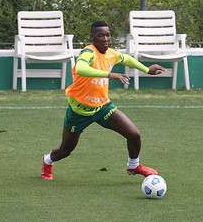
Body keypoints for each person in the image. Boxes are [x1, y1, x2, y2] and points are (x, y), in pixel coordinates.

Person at [41, 21, 167, 180]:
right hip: (79, 111)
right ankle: (47, 160)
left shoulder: (111, 54)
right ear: (92, 37)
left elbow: (126, 58)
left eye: (108, 34)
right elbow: (80, 68)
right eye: (101, 35)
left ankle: (134, 166)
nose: (106, 38)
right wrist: (109, 74)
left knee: (134, 134)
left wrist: (147, 69)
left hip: (102, 107)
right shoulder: (88, 52)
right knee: (65, 151)